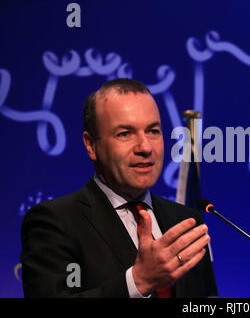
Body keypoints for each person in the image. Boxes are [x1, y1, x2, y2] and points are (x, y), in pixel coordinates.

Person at [20, 78, 218, 298]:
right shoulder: (55, 223)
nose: (145, 147)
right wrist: (139, 281)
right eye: (124, 134)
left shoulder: (186, 219)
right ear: (91, 145)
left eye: (153, 131)